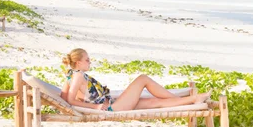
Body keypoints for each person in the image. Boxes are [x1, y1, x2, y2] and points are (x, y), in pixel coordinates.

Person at [61, 48, 210, 112]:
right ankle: (190, 99)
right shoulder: (78, 75)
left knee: (156, 102)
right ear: (78, 63)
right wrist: (95, 108)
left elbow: (62, 97)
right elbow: (70, 100)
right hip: (112, 109)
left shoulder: (71, 75)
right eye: (87, 60)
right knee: (142, 79)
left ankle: (193, 100)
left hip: (113, 104)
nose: (90, 62)